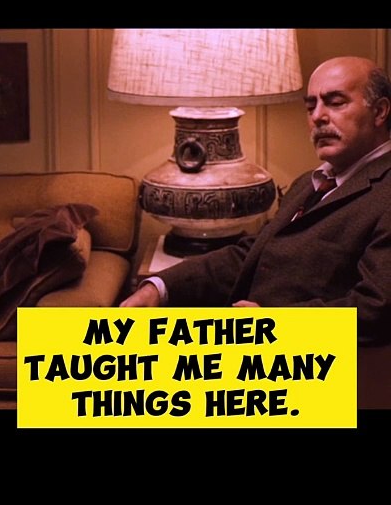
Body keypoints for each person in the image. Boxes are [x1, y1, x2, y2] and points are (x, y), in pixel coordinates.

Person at [121, 56, 391, 346]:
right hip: (243, 337)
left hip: (301, 355)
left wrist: (273, 325)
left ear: (379, 111)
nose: (317, 117)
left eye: (335, 103)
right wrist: (159, 287)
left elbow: (376, 309)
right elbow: (252, 253)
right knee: (101, 344)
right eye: (310, 106)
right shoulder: (309, 182)